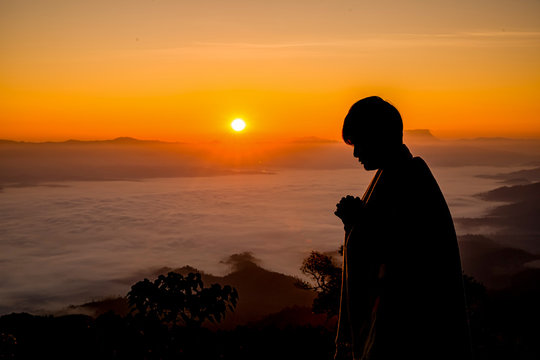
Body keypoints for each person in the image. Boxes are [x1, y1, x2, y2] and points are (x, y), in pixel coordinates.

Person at [334, 96, 472, 360]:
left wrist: (358, 224)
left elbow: (407, 258)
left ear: (378, 135)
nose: (355, 153)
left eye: (358, 142)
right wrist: (355, 222)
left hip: (409, 333)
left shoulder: (409, 180)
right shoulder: (396, 175)